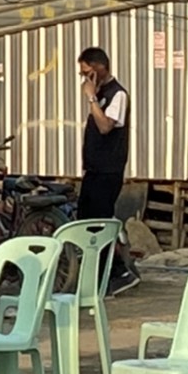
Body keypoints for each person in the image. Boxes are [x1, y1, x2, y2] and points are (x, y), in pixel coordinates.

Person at [78, 47, 140, 295]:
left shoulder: (117, 94)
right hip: (94, 169)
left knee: (99, 224)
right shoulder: (102, 93)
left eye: (87, 72)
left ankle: (117, 273)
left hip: (108, 170)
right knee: (85, 221)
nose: (85, 78)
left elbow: (105, 127)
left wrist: (91, 99)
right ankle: (99, 274)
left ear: (99, 68)